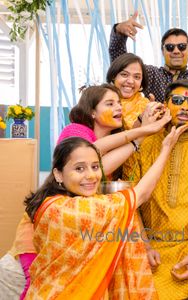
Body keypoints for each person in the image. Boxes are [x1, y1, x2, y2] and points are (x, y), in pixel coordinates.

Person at [7, 84, 171, 299]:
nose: (91, 175)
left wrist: (146, 245)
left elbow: (125, 205)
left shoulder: (115, 153)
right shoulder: (76, 132)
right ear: (92, 111)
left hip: (79, 235)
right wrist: (143, 132)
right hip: (44, 236)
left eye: (119, 103)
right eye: (110, 103)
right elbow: (94, 153)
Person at [23, 129, 186, 298]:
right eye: (79, 169)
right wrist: (166, 148)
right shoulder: (69, 210)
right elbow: (141, 194)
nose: (91, 176)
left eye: (95, 167)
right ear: (58, 174)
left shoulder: (51, 201)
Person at [123, 79, 188, 299]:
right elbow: (129, 202)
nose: (184, 108)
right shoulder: (141, 146)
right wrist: (145, 245)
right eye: (177, 101)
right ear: (165, 105)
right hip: (149, 244)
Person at [109, 12, 188, 103]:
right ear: (162, 50)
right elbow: (120, 64)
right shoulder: (150, 73)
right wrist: (118, 30)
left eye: (181, 46)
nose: (176, 51)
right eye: (170, 47)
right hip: (151, 138)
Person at [106, 53, 152, 130]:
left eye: (137, 77)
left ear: (141, 83)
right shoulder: (100, 103)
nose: (130, 81)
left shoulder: (147, 107)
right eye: (124, 74)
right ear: (113, 76)